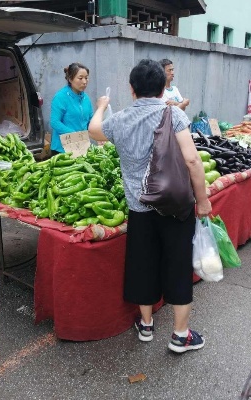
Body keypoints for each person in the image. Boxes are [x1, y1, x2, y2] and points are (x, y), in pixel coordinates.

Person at [88, 59, 212, 354]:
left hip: (139, 208)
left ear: (131, 89)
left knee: (143, 264)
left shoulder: (119, 121)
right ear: (162, 89)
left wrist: (103, 105)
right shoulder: (174, 116)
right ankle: (180, 336)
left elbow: (93, 130)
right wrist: (204, 200)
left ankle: (145, 325)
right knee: (177, 264)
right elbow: (193, 160)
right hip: (175, 206)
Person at [50, 62, 93, 154]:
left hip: (81, 147)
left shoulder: (86, 98)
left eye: (86, 78)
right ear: (70, 79)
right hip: (62, 150)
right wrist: (75, 135)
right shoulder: (60, 97)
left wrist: (99, 133)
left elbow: (90, 120)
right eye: (80, 78)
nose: (84, 82)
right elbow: (55, 122)